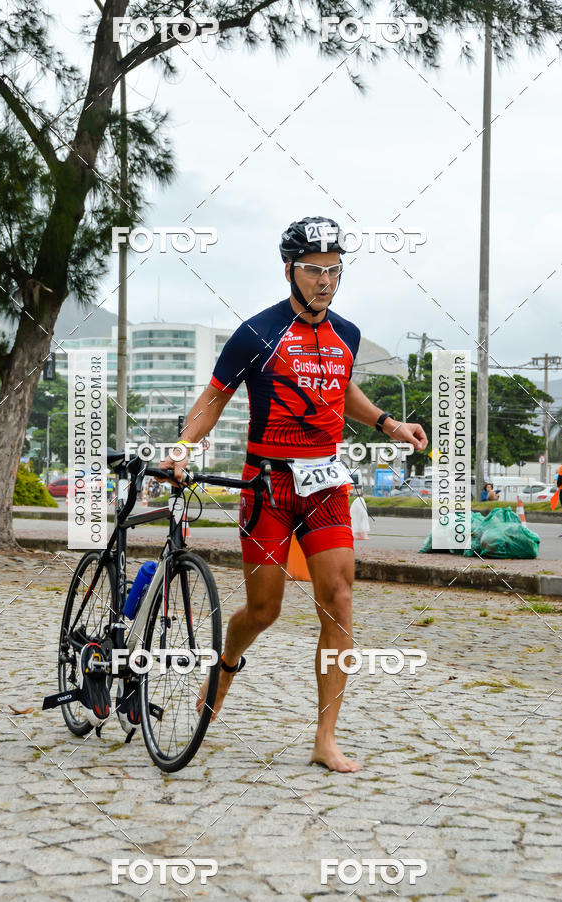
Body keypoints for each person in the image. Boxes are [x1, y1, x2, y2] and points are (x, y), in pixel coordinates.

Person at [159, 216, 428, 772]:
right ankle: (228, 655)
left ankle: (325, 738)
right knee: (265, 609)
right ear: (290, 270)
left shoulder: (347, 334)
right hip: (268, 486)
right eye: (313, 270)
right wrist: (183, 445)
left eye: (333, 271)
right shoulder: (257, 334)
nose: (324, 281)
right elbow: (214, 399)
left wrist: (388, 424)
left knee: (340, 600)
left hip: (326, 483)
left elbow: (340, 385)